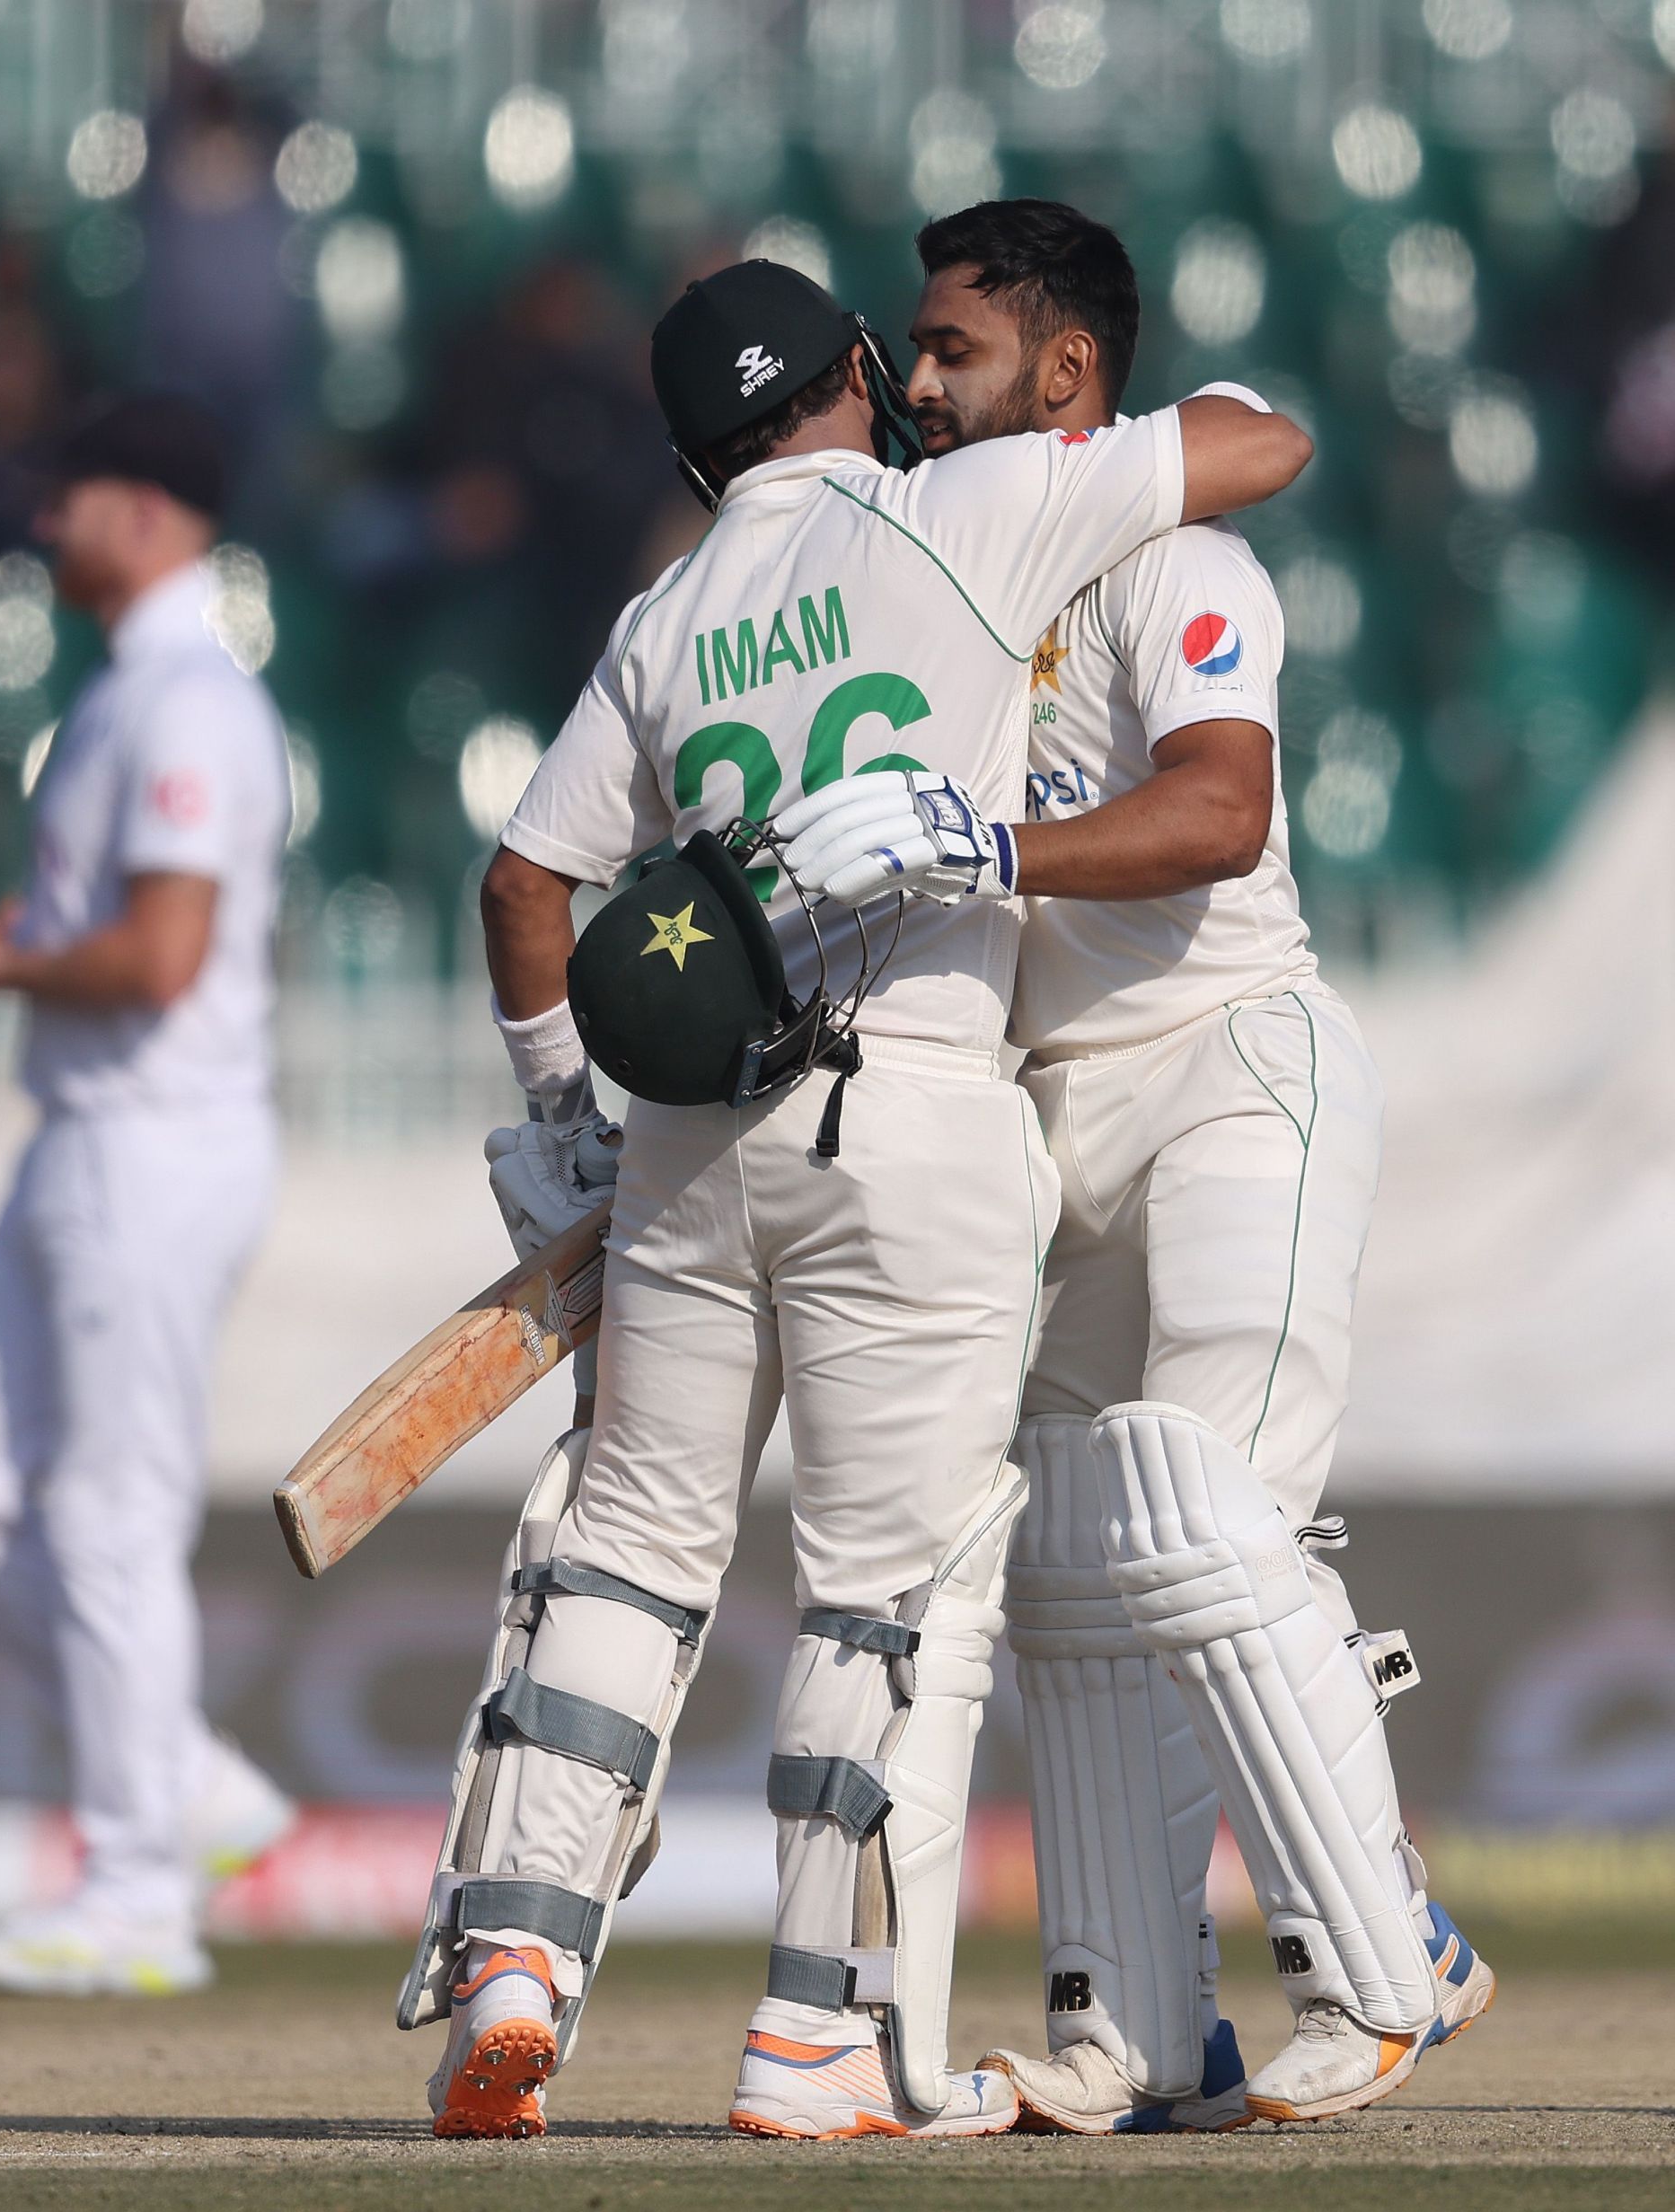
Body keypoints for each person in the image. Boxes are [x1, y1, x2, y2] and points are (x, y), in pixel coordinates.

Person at [399, 256, 1311, 2141]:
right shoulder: (969, 502)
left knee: (634, 1556)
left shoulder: (666, 609)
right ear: (872, 377)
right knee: (886, 1595)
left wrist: (568, 1117)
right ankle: (819, 2030)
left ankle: (516, 1956)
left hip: (679, 1145)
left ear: (689, 447)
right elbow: (1264, 442)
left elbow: (521, 887)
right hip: (905, 1114)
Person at [781, 198, 1494, 2134]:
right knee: (1084, 1555)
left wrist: (987, 848)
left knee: (1204, 1509)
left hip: (1230, 1066)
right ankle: (1135, 2023)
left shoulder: (1174, 553)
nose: (916, 388)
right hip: (1053, 1116)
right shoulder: (934, 582)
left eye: (951, 352)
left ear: (1066, 370)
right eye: (911, 358)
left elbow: (1216, 806)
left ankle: (1383, 1950)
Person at [0, 392, 295, 1996]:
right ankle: (188, 1785)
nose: (44, 518)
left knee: (106, 1512)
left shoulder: (189, 707)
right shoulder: (128, 699)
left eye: (72, 491)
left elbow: (156, 961)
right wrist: (15, 944)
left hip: (153, 1138)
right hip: (82, 1135)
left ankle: (139, 1891)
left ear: (149, 510)